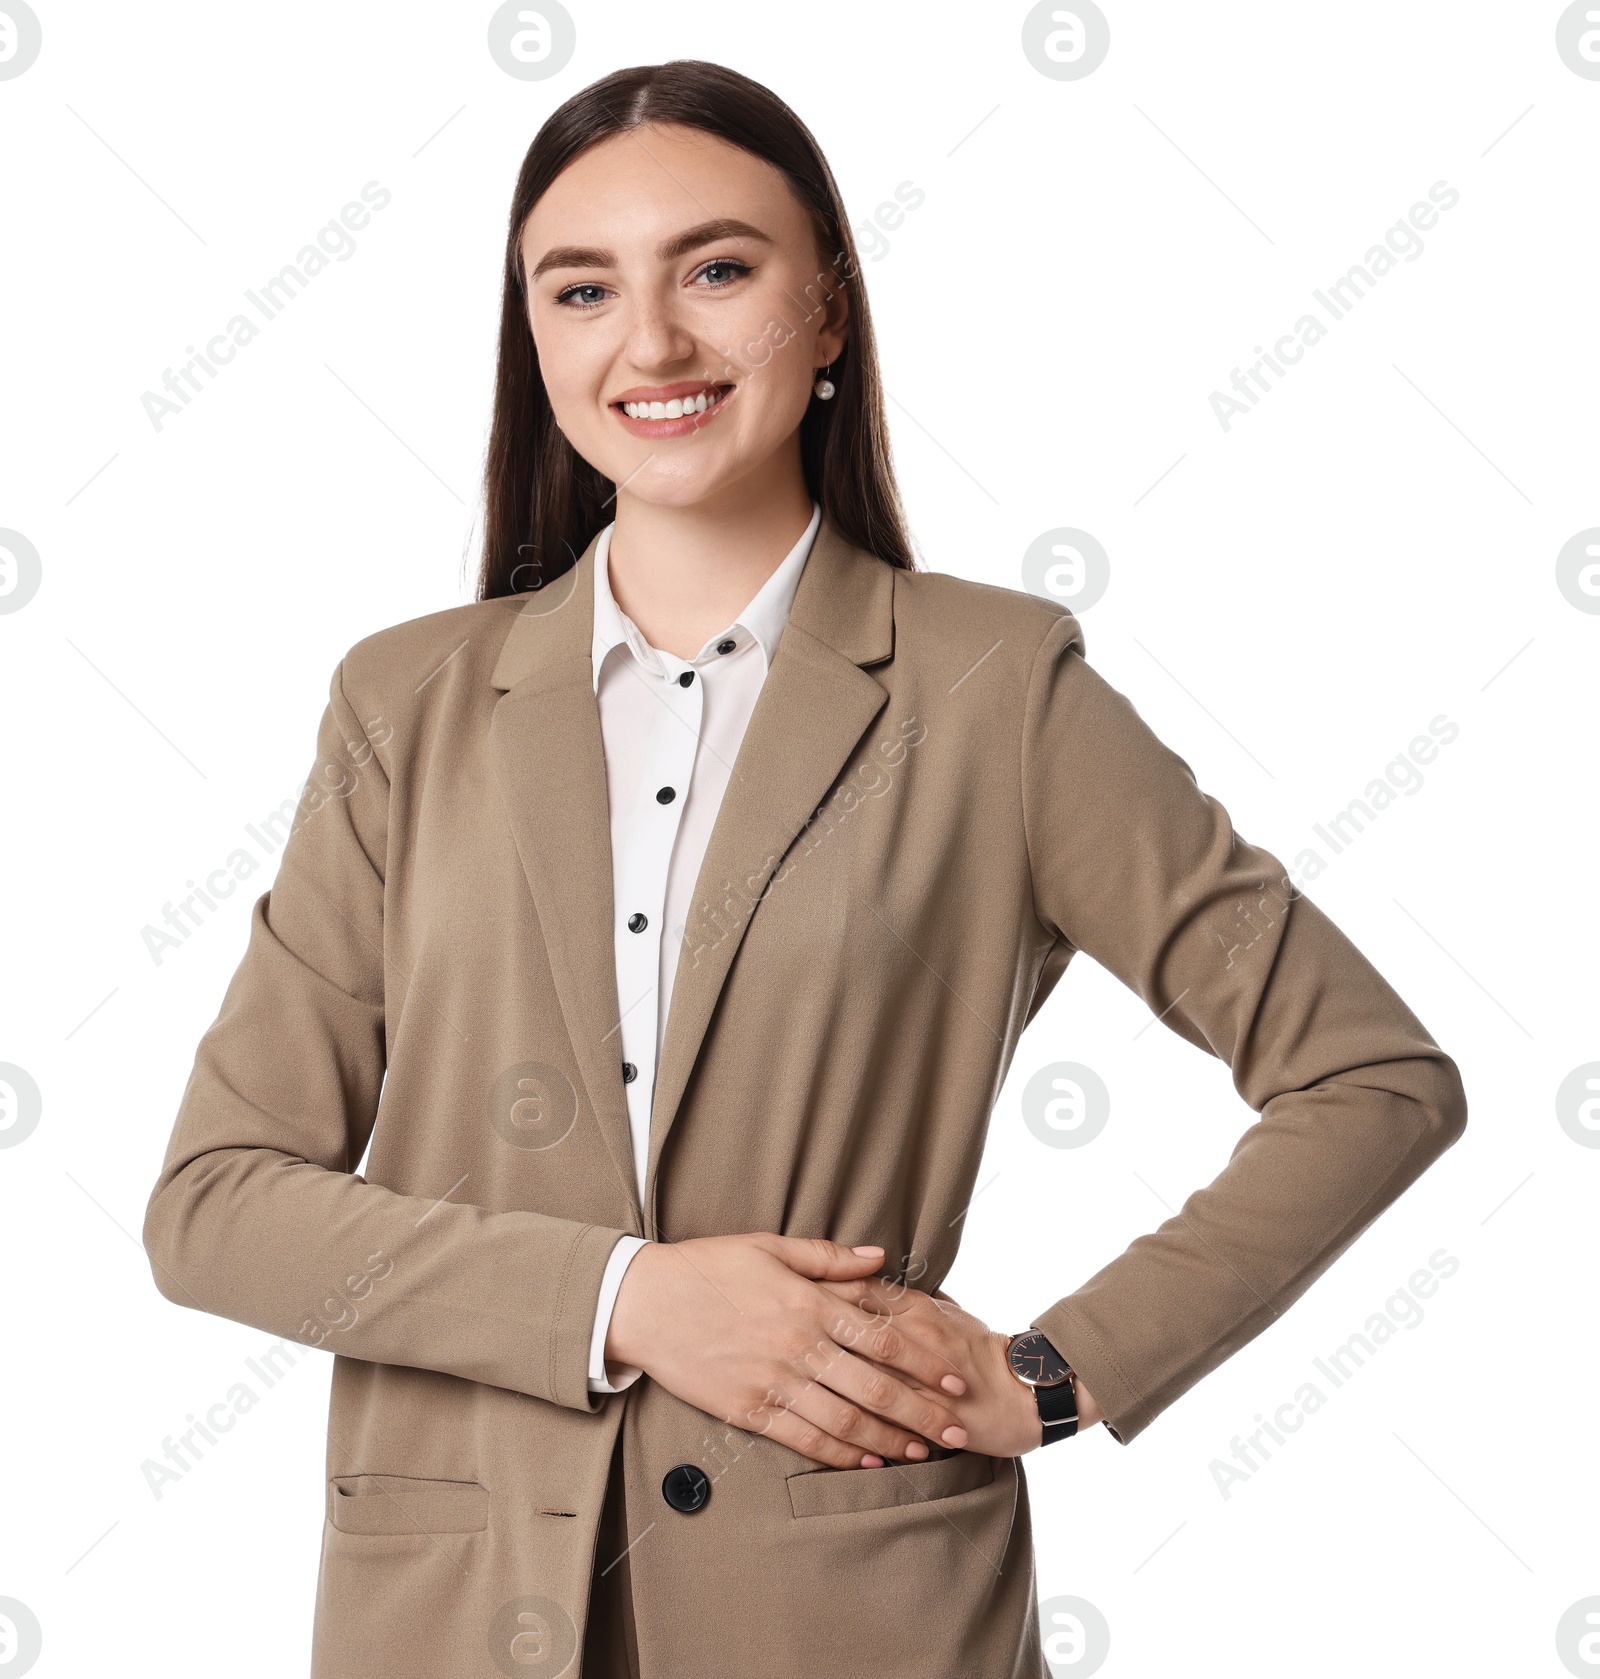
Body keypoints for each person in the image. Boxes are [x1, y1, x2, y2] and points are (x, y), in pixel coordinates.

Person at [142, 59, 1468, 1679]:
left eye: (717, 268)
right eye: (583, 289)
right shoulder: (403, 705)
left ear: (827, 310)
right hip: (447, 1608)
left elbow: (1372, 1077)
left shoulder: (996, 687)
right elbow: (215, 1208)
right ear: (536, 341)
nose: (653, 344)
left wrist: (1057, 1371)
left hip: (855, 1611)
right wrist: (626, 1297)